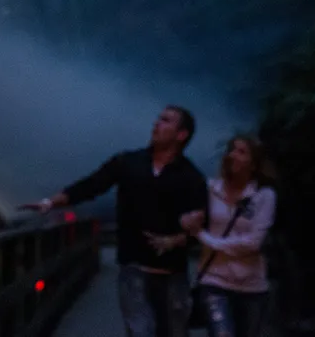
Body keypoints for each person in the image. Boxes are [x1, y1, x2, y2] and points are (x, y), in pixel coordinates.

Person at [21, 106, 207, 337]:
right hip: (134, 268)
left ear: (181, 134)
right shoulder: (128, 162)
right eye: (158, 118)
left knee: (174, 332)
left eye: (166, 120)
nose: (157, 123)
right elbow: (92, 185)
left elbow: (203, 223)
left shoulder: (191, 177)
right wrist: (50, 203)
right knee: (140, 331)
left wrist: (177, 239)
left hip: (173, 272)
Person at [179, 134, 276, 337]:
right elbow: (186, 214)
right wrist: (188, 221)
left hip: (252, 285)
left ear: (254, 163)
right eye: (231, 149)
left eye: (241, 152)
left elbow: (253, 242)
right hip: (215, 281)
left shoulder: (263, 196)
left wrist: (206, 238)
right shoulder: (210, 190)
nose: (233, 155)